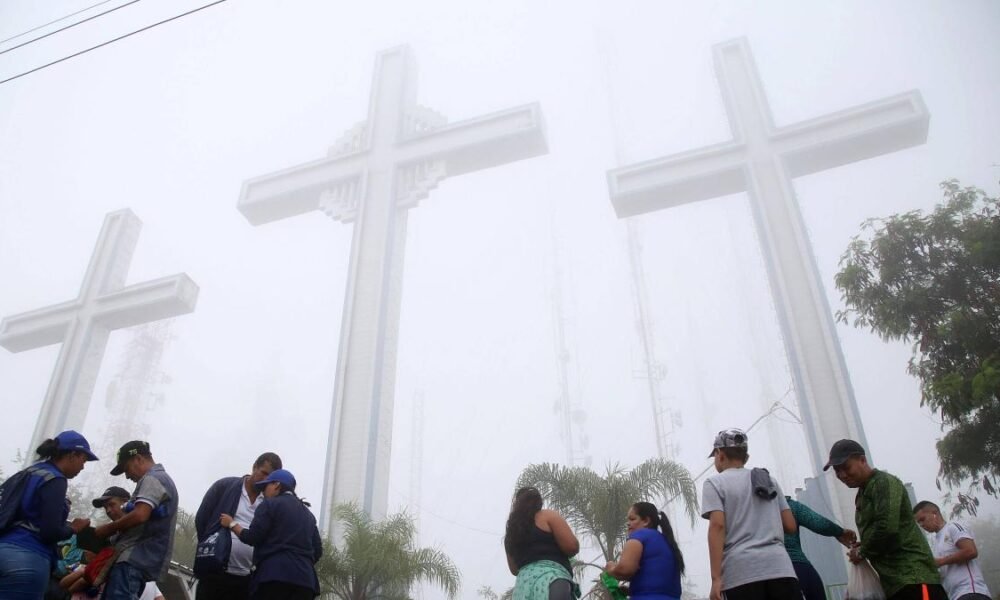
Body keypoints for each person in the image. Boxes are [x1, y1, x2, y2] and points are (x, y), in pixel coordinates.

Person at [825, 439, 944, 600]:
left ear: (862, 460)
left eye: (846, 467)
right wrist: (864, 544)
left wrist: (862, 551)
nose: (842, 475)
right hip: (893, 585)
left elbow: (887, 527)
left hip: (915, 578)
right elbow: (880, 533)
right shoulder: (862, 493)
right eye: (837, 471)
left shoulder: (883, 482)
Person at [701, 428, 799, 600]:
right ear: (746, 457)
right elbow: (791, 525)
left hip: (742, 573)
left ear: (720, 454)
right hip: (781, 568)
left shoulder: (714, 483)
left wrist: (716, 579)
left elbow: (717, 526)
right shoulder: (768, 480)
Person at [0, 430, 96, 598]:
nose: (83, 466)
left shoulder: (29, 473)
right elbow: (49, 533)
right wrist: (73, 528)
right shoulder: (56, 479)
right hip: (28, 557)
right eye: (84, 460)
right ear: (73, 454)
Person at [94, 440, 178, 600]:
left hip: (134, 558)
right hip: (137, 559)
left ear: (139, 459)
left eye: (127, 468)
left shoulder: (154, 478)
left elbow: (141, 514)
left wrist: (108, 529)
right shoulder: (159, 480)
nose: (127, 475)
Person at [220, 469, 322, 600]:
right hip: (305, 583)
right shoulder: (308, 515)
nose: (263, 492)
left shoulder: (269, 504)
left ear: (277, 485)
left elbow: (253, 537)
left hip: (273, 579)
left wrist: (232, 524)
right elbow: (318, 551)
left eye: (265, 487)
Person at [195, 452, 282, 599]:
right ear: (254, 467)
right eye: (263, 473)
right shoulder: (224, 486)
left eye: (271, 478)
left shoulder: (270, 504)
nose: (266, 480)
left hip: (246, 580)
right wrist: (213, 550)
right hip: (215, 574)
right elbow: (202, 520)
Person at [59, 486, 165, 600]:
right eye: (105, 507)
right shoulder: (110, 538)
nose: (108, 510)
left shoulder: (142, 534)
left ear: (126, 502)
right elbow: (86, 578)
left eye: (112, 504)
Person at [503, 486, 579, 600]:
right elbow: (572, 547)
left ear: (516, 504)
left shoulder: (511, 532)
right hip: (551, 580)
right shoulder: (547, 515)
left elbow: (514, 570)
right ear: (538, 502)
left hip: (523, 590)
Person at [914, 500, 992, 600]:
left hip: (970, 592)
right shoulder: (936, 544)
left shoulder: (953, 527)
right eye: (919, 522)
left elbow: (970, 551)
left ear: (934, 513)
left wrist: (940, 562)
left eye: (922, 519)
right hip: (954, 596)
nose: (921, 525)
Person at [605, 502, 684, 600]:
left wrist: (611, 568)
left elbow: (624, 570)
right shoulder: (668, 543)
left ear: (646, 521)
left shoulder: (639, 536)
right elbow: (658, 582)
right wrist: (632, 590)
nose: (628, 523)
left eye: (632, 519)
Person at [782, 496, 857, 600]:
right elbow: (820, 523)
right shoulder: (787, 504)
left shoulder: (751, 509)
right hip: (797, 567)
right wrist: (840, 532)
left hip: (756, 574)